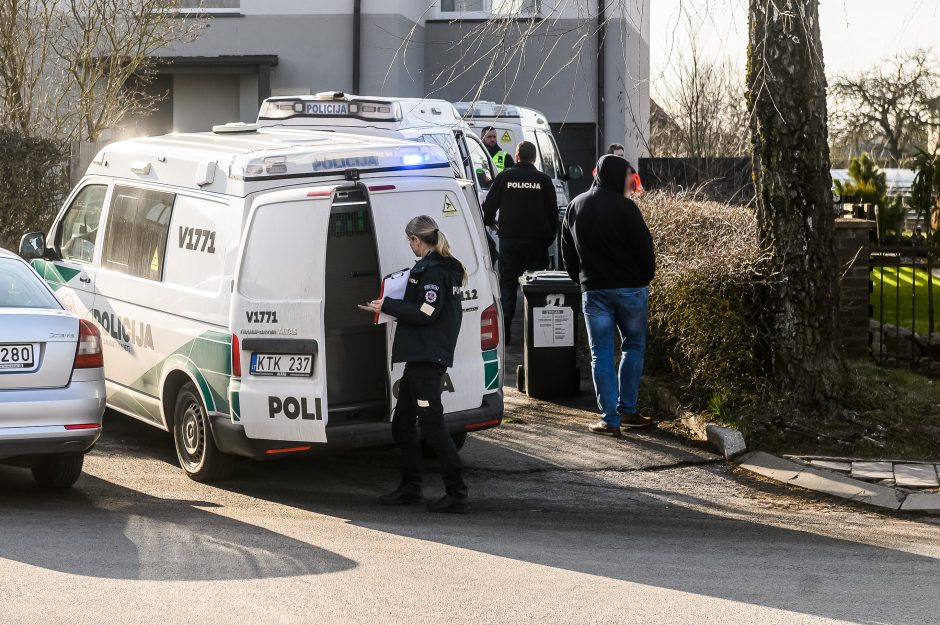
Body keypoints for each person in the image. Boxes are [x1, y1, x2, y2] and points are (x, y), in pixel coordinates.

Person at [365, 215, 469, 513]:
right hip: (421, 358)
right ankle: (410, 487)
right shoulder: (439, 267)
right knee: (402, 424)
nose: (409, 245)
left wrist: (388, 306)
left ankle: (457, 492)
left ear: (416, 240)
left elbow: (426, 313)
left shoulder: (434, 271)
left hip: (427, 358)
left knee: (432, 425)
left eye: (409, 241)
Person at [561, 154, 656, 437]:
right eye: (627, 174)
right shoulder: (627, 209)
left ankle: (609, 419)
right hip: (631, 290)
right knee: (633, 347)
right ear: (617, 175)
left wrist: (579, 279)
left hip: (595, 291)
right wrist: (644, 277)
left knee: (600, 355)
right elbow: (644, 249)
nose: (629, 180)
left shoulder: (576, 206)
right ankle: (628, 410)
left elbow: (566, 250)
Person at [482, 140, 558, 343]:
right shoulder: (543, 180)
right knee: (536, 285)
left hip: (510, 240)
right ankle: (536, 328)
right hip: (537, 242)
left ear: (516, 157)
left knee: (507, 283)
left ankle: (506, 323)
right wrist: (550, 236)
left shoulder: (505, 177)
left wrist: (492, 224)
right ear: (534, 158)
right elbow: (553, 212)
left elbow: (489, 206)